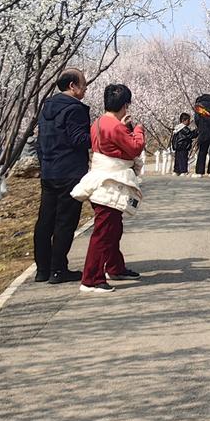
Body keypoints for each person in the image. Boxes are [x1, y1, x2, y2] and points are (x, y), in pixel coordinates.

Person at [72, 83, 144, 295]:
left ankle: (114, 267)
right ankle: (91, 279)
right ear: (125, 104)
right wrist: (138, 130)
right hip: (110, 183)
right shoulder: (115, 126)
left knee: (112, 228)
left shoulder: (99, 123)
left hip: (102, 179)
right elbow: (134, 147)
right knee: (104, 232)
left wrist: (126, 128)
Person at [33, 68, 91, 284]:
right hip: (69, 172)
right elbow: (79, 139)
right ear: (72, 86)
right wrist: (97, 134)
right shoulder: (74, 109)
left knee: (45, 221)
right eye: (83, 84)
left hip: (49, 171)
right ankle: (58, 270)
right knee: (65, 222)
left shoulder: (47, 107)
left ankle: (42, 269)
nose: (85, 88)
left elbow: (41, 141)